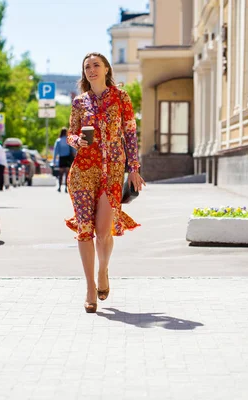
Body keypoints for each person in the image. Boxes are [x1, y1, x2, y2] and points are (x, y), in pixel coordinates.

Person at [65, 52, 146, 313]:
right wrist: (78, 142)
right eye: (87, 67)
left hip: (111, 171)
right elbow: (71, 134)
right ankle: (90, 287)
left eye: (96, 65)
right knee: (84, 230)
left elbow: (130, 133)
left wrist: (133, 168)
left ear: (107, 69)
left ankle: (103, 272)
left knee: (103, 232)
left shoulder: (121, 98)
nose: (91, 70)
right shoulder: (79, 103)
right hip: (83, 171)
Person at [53, 127, 75, 193]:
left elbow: (55, 152)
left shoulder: (58, 141)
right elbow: (73, 150)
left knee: (61, 173)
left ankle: (59, 187)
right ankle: (66, 187)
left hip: (61, 158)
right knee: (67, 174)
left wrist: (54, 161)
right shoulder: (68, 140)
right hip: (68, 158)